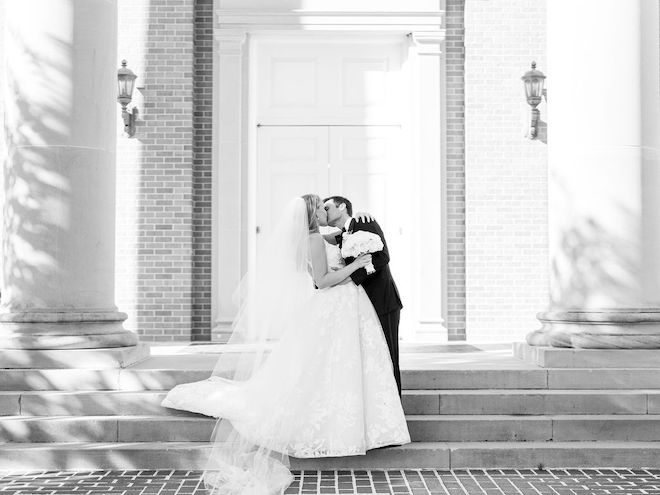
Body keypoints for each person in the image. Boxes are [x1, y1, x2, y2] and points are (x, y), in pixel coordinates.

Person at [161, 194, 410, 495]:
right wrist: (356, 265)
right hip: (335, 303)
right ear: (310, 212)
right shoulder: (314, 240)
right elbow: (322, 280)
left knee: (338, 364)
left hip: (343, 307)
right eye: (320, 207)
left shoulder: (323, 236)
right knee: (335, 364)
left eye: (327, 207)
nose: (323, 211)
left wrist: (356, 240)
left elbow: (339, 248)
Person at [323, 196, 403, 395]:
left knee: (389, 357)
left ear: (342, 207)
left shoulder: (364, 222)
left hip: (383, 301)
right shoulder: (342, 235)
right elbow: (317, 239)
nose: (324, 212)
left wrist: (353, 276)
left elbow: (383, 257)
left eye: (327, 207)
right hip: (360, 306)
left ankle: (396, 409)